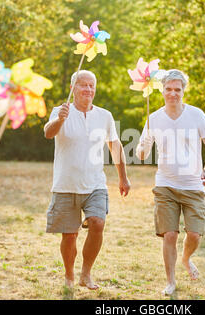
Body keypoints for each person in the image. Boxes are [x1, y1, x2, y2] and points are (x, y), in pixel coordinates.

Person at [44, 70, 130, 290]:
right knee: (70, 235)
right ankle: (69, 274)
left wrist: (123, 177)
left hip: (95, 183)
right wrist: (60, 119)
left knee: (97, 222)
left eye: (92, 86)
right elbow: (48, 132)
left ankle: (86, 273)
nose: (89, 90)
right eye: (84, 85)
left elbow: (115, 145)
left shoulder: (104, 115)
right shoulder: (61, 111)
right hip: (66, 184)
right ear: (73, 88)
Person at [136, 69, 205, 295]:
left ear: (183, 91)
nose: (173, 93)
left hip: (193, 185)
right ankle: (170, 281)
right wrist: (142, 148)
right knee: (169, 234)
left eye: (177, 90)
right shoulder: (153, 119)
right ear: (162, 91)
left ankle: (186, 257)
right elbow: (142, 154)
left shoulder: (196, 115)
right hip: (165, 185)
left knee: (194, 234)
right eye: (168, 89)